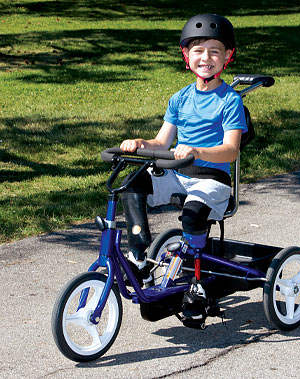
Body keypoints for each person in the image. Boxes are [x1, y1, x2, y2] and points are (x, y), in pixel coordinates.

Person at [120, 14, 247, 320]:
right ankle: (140, 257)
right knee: (131, 184)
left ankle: (197, 278)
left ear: (227, 57)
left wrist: (197, 150)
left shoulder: (230, 101)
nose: (206, 58)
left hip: (211, 179)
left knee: (192, 216)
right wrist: (140, 142)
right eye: (198, 51)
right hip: (178, 173)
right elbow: (162, 142)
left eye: (214, 51)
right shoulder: (179, 99)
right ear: (186, 56)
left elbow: (230, 150)